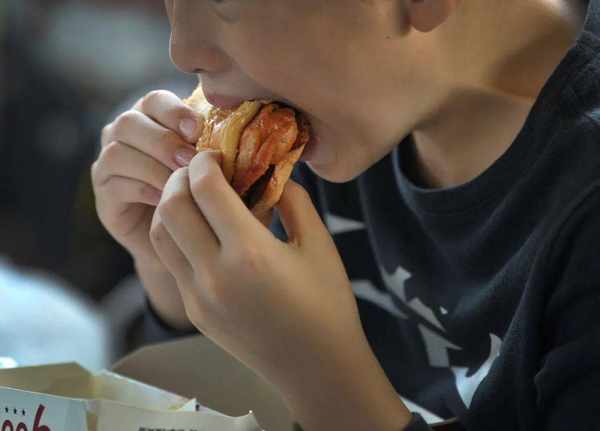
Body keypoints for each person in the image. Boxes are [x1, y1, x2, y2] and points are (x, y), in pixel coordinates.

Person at [91, 0, 600, 429]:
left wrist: (317, 371)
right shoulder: (330, 129)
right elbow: (242, 403)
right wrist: (176, 279)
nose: (182, 51)